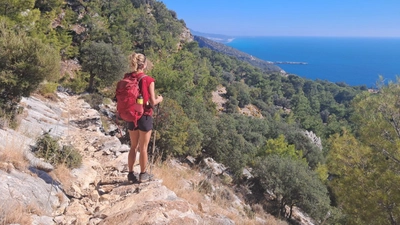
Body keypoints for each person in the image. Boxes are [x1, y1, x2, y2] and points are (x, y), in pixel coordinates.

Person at [126, 53, 163, 183]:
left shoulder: (128, 77)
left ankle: (130, 174)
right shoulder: (148, 80)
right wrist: (160, 99)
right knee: (143, 148)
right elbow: (152, 102)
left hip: (131, 115)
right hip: (144, 116)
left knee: (133, 146)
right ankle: (143, 174)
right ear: (145, 64)